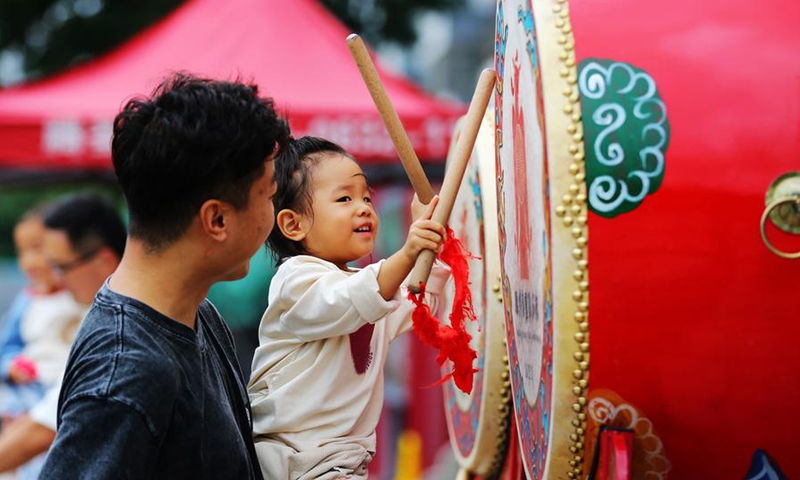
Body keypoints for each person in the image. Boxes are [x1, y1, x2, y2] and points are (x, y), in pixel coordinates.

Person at [39, 73, 290, 480]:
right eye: (268, 195)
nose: (273, 214)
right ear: (217, 218)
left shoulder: (196, 313)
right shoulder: (127, 368)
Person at [248, 136, 450, 480]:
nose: (364, 208)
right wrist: (407, 252)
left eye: (366, 197)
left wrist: (432, 249)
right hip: (294, 459)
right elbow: (351, 298)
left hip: (341, 462)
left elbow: (415, 301)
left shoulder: (366, 285)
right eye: (345, 198)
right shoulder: (296, 280)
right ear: (293, 224)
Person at [0, 194, 125, 478]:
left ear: (104, 261)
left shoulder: (113, 325)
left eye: (62, 266)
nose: (55, 277)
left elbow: (45, 424)